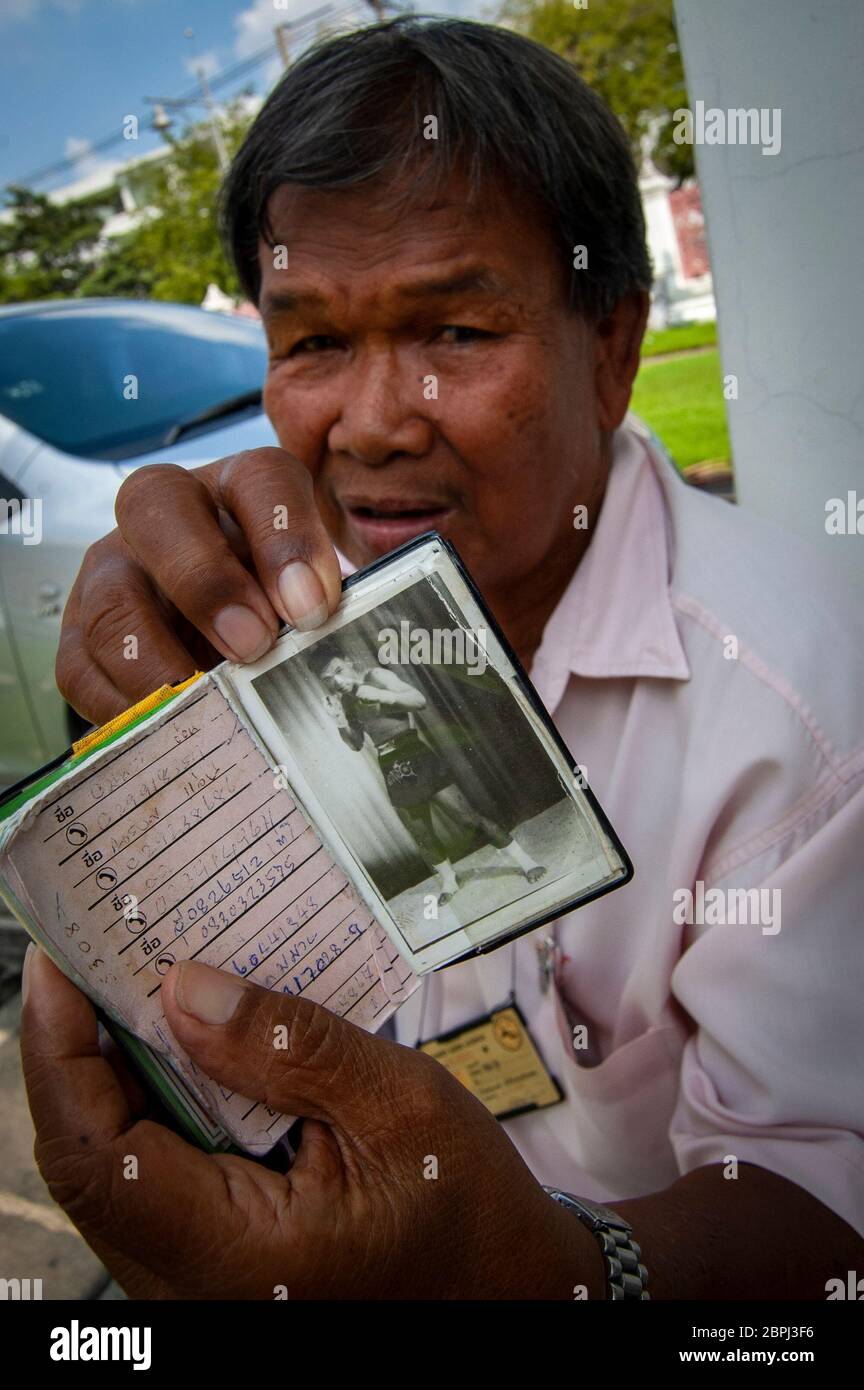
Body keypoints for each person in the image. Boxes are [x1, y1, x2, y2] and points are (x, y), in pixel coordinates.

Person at [24, 18, 864, 1299]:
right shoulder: (279, 613)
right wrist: (154, 784)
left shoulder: (805, 709)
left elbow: (825, 1204)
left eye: (457, 334)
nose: (366, 424)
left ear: (616, 351)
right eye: (310, 343)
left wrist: (542, 1276)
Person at [313, 648, 546, 904]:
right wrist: (339, 722)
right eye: (329, 679)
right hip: (389, 764)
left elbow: (418, 700)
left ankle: (526, 861)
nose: (337, 680)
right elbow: (356, 743)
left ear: (349, 659)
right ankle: (449, 881)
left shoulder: (376, 676)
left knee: (467, 818)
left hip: (414, 751)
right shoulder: (344, 701)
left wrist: (376, 694)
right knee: (421, 834)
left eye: (339, 670)